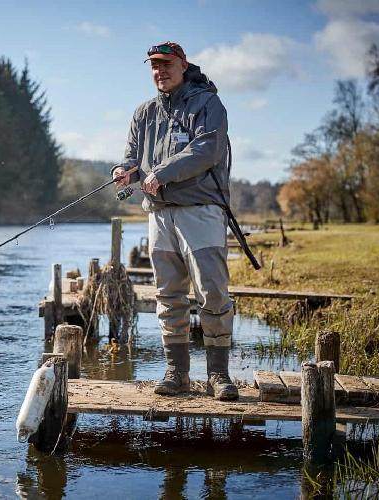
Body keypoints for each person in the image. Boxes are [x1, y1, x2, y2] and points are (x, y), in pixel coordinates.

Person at [112, 41, 238, 400]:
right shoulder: (143, 113)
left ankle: (219, 376)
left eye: (166, 64)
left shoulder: (208, 104)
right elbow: (133, 157)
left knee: (212, 292)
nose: (159, 71)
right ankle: (177, 373)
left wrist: (162, 172)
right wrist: (124, 171)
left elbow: (206, 150)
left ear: (183, 65)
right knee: (168, 295)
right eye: (153, 65)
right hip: (159, 215)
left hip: (202, 211)